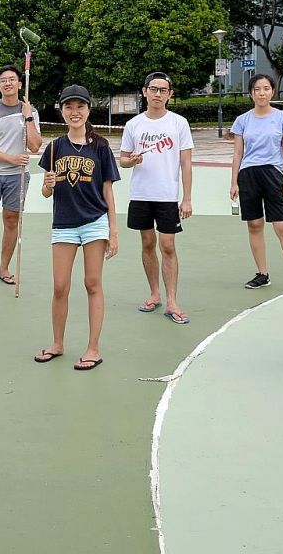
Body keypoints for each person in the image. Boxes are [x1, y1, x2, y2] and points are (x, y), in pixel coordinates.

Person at [35, 85, 119, 371]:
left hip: (95, 222)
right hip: (64, 224)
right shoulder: (55, 146)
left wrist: (113, 230)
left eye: (80, 106)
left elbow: (108, 190)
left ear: (88, 110)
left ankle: (93, 348)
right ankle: (57, 343)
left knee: (92, 284)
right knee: (60, 286)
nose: (75, 112)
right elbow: (47, 191)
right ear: (61, 111)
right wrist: (47, 186)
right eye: (69, 107)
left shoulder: (101, 146)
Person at [119, 72, 194, 324]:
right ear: (144, 92)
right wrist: (132, 160)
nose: (158, 94)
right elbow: (123, 160)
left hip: (167, 195)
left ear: (170, 95)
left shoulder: (179, 123)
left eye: (163, 90)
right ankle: (154, 294)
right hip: (141, 194)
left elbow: (186, 162)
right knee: (148, 243)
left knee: (168, 246)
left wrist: (187, 198)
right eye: (153, 89)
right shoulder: (134, 125)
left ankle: (172, 301)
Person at [228, 74, 283, 293]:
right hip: (248, 176)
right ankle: (262, 274)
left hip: (273, 175)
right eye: (257, 89)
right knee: (254, 225)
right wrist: (234, 182)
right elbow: (237, 153)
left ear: (272, 91)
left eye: (266, 88)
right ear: (251, 93)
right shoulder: (242, 120)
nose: (261, 93)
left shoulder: (282, 118)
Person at [0, 64, 42, 285]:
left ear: (19, 84)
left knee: (12, 221)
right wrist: (9, 158)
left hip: (18, 177)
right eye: (3, 80)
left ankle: (4, 269)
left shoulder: (29, 112)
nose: (8, 83)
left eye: (12, 79)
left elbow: (34, 146)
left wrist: (28, 118)